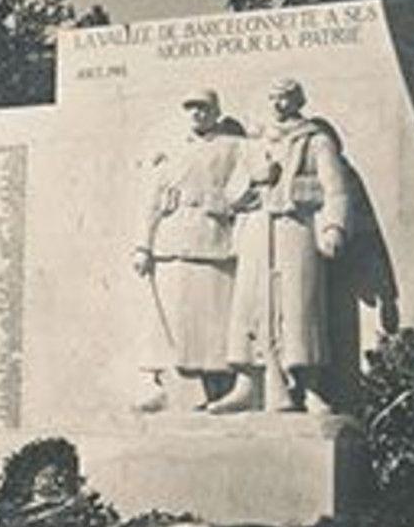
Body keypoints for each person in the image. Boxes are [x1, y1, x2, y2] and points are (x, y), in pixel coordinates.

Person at [211, 77, 352, 414]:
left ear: (297, 100)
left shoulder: (316, 141)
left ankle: (308, 387)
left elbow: (337, 189)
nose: (278, 103)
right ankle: (247, 384)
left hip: (296, 226)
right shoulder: (253, 143)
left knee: (300, 304)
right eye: (273, 97)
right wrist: (254, 178)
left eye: (285, 97)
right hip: (257, 227)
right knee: (251, 304)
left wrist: (334, 227)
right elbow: (229, 196)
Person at [133, 88, 247, 408]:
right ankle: (164, 388)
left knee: (214, 326)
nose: (197, 114)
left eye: (203, 108)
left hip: (213, 242)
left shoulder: (234, 147)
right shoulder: (171, 150)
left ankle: (219, 392)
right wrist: (143, 245)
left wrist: (221, 203)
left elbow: (249, 189)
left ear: (215, 111)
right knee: (170, 324)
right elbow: (152, 200)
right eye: (191, 108)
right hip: (172, 244)